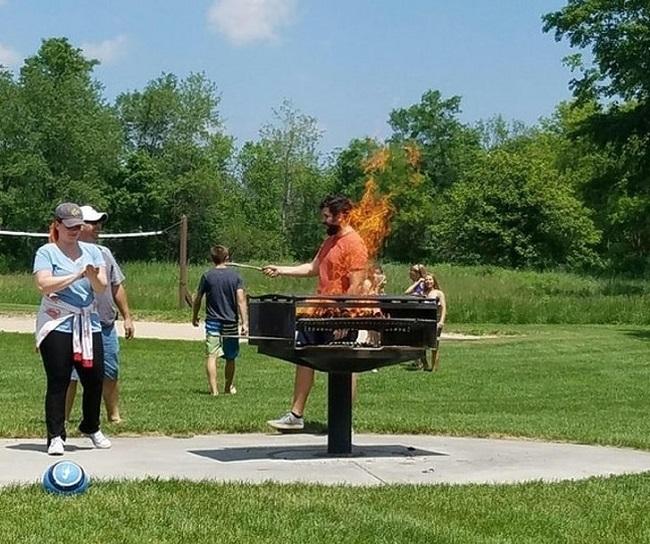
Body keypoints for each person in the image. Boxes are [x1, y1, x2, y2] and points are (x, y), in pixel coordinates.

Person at [264, 194, 369, 431]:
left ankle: (343, 422)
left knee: (344, 366)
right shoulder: (329, 242)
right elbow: (312, 268)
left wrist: (345, 317)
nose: (324, 221)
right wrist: (280, 270)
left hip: (340, 316)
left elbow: (356, 285)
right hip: (319, 312)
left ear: (342, 215)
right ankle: (295, 415)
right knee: (304, 358)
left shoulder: (354, 243)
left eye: (327, 216)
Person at [33, 202, 111, 455]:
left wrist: (91, 276)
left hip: (88, 321)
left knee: (95, 377)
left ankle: (91, 425)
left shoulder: (93, 251)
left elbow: (100, 287)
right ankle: (55, 435)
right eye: (69, 226)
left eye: (79, 226)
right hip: (57, 321)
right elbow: (44, 285)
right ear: (57, 225)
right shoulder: (47, 252)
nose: (74, 231)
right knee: (59, 380)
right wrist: (76, 275)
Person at [65, 205, 134, 424]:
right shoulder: (66, 253)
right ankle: (63, 419)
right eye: (93, 223)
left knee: (110, 372)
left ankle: (114, 415)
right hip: (76, 325)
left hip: (104, 325)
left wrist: (127, 317)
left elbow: (117, 286)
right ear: (79, 226)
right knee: (71, 376)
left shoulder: (104, 254)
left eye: (99, 223)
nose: (98, 227)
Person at [192, 245, 248, 396]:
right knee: (230, 357)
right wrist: (244, 322)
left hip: (213, 321)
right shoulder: (235, 277)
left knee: (211, 355)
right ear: (227, 258)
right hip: (230, 321)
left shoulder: (207, 276)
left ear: (212, 259)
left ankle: (214, 390)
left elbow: (198, 299)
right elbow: (241, 300)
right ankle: (227, 387)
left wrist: (194, 315)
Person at [420, 273, 447, 372]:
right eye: (426, 280)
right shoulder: (423, 294)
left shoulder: (439, 293)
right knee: (421, 344)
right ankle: (425, 365)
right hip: (424, 321)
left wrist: (441, 321)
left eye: (430, 279)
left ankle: (434, 367)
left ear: (434, 281)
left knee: (434, 345)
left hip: (435, 320)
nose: (428, 282)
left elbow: (444, 308)